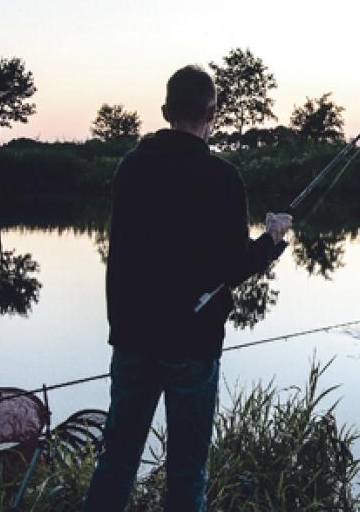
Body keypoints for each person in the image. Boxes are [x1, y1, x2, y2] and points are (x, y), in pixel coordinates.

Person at [84, 65, 291, 511]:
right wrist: (271, 242)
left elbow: (123, 252)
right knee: (187, 469)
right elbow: (232, 266)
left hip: (133, 338)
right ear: (212, 112)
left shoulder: (131, 167)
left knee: (117, 459)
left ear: (165, 110)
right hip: (193, 345)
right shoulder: (222, 177)